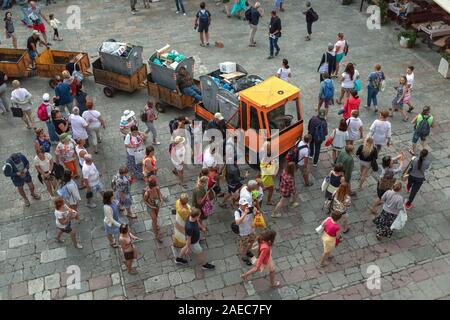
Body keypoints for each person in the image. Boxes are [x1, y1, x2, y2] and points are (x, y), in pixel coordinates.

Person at [234, 198, 256, 266]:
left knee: (252, 241)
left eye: (246, 204)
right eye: (244, 205)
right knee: (244, 246)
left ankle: (247, 251)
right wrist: (245, 213)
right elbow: (237, 222)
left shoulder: (250, 208)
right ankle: (244, 257)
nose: (246, 206)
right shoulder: (237, 212)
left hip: (251, 230)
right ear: (240, 205)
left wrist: (256, 211)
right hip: (243, 233)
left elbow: (256, 215)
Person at [143, 176, 164, 243]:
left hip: (156, 205)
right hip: (151, 207)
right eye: (154, 187)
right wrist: (152, 207)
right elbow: (145, 201)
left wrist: (161, 200)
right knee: (154, 219)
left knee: (156, 217)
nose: (156, 188)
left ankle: (155, 225)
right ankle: (156, 235)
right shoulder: (147, 193)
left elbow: (160, 195)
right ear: (151, 187)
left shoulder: (157, 188)